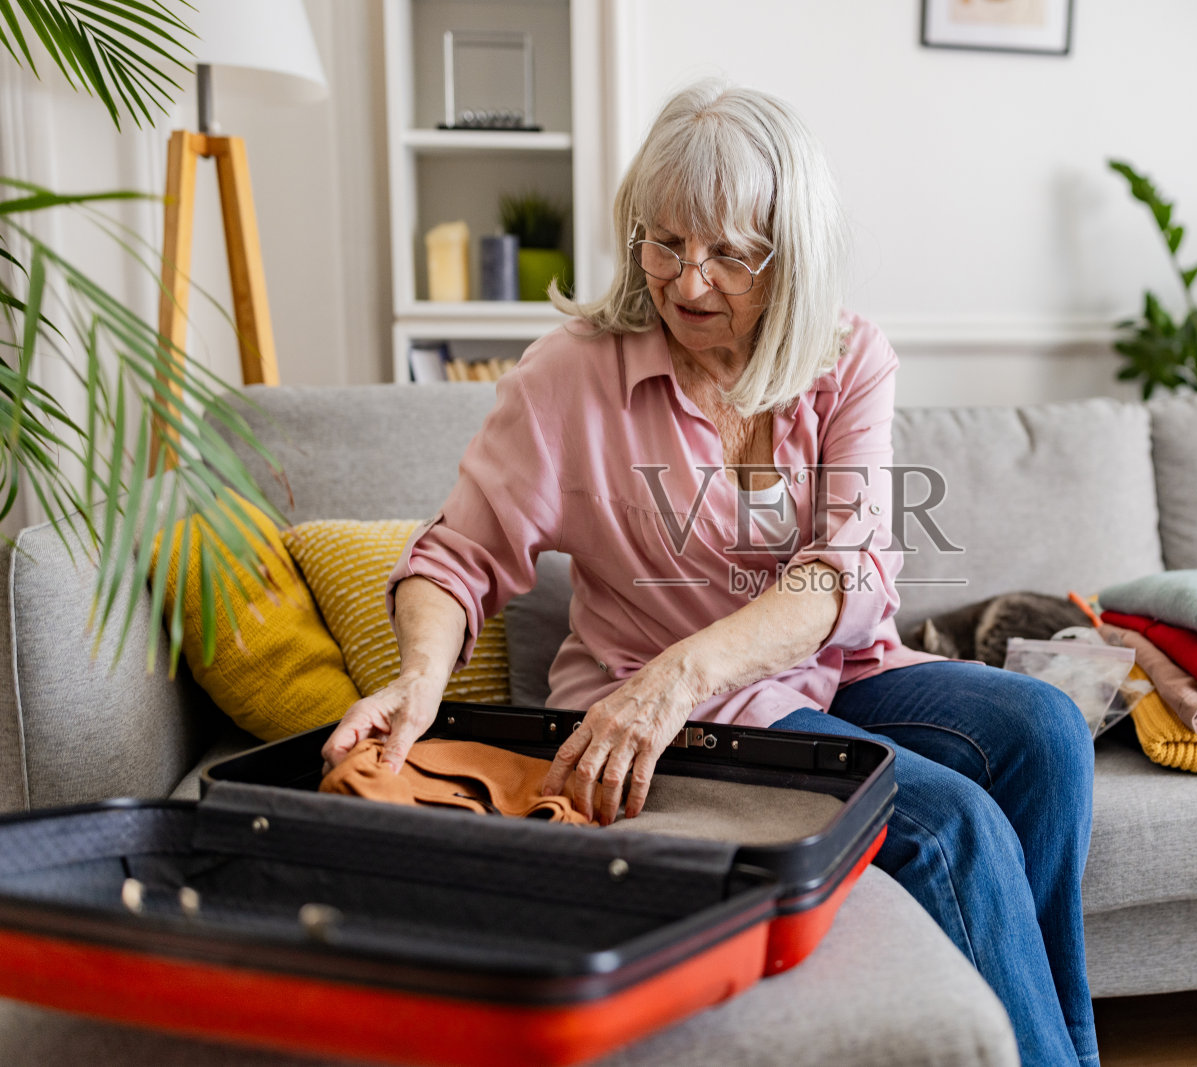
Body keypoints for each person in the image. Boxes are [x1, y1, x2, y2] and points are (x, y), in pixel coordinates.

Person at [321, 80, 1098, 1066]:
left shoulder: (848, 357)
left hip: (816, 674)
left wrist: (682, 668)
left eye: (730, 253)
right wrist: (421, 679)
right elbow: (459, 552)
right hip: (676, 723)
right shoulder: (573, 373)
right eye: (665, 240)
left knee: (1047, 728)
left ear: (793, 251)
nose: (688, 282)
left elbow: (846, 566)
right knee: (951, 826)